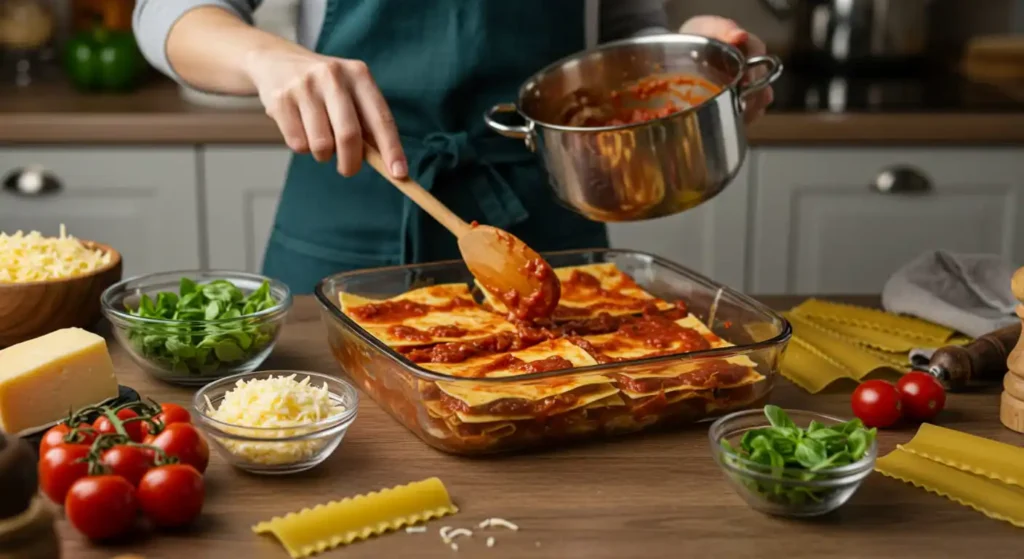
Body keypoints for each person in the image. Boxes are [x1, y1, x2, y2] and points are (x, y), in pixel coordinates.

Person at [134, 1, 773, 294]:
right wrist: (263, 55)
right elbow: (165, 13)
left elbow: (621, 30)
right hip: (349, 205)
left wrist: (686, 50)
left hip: (542, 220)